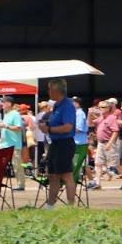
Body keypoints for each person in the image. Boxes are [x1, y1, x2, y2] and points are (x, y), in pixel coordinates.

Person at [42, 79, 78, 208]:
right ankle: (50, 206)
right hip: (55, 143)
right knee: (52, 175)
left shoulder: (67, 105)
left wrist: (49, 129)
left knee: (66, 174)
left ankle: (70, 206)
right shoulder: (57, 105)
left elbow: (67, 127)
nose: (48, 92)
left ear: (56, 91)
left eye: (50, 89)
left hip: (64, 143)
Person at [0, 97, 26, 187]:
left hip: (14, 144)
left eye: (3, 102)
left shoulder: (15, 114)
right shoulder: (6, 114)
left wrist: (6, 126)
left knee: (17, 165)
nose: (2, 104)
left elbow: (19, 128)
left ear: (9, 103)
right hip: (4, 144)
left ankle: (20, 184)